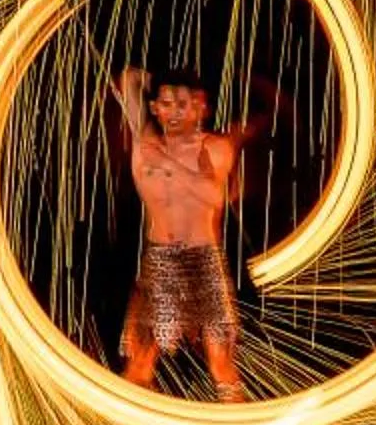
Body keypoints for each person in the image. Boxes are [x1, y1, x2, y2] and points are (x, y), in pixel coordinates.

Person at [108, 64, 276, 400]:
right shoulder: (147, 144)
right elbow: (127, 80)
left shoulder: (215, 148)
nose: (173, 112)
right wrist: (150, 81)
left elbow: (213, 194)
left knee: (222, 367)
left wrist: (167, 163)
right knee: (139, 367)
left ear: (200, 108)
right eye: (166, 104)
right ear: (155, 107)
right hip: (161, 264)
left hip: (203, 265)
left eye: (183, 105)